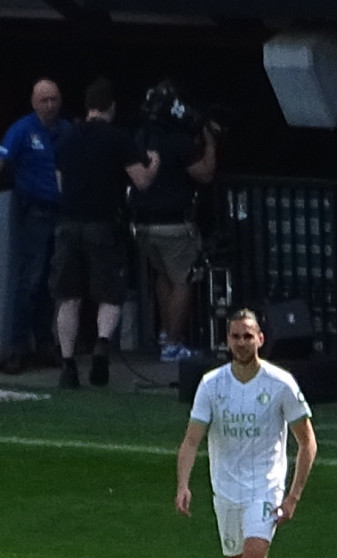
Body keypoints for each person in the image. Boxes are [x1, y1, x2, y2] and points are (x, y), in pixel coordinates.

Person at [175, 308, 314, 558]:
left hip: (265, 489)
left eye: (247, 336)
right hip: (226, 489)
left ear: (260, 339)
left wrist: (292, 496)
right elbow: (191, 440)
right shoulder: (211, 385)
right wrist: (183, 484)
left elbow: (307, 442)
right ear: (227, 340)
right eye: (235, 336)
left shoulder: (280, 383)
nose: (241, 343)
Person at [0, 78, 66, 369]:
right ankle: (17, 346)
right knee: (30, 280)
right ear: (34, 103)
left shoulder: (66, 130)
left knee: (54, 283)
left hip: (62, 214)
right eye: (44, 101)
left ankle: (46, 344)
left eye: (54, 100)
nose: (50, 106)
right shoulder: (23, 129)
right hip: (35, 213)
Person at [48, 78, 134, 388]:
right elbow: (141, 180)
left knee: (68, 296)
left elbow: (59, 184)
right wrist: (153, 164)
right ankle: (101, 345)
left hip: (68, 223)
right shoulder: (117, 138)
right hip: (102, 223)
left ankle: (68, 365)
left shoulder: (66, 140)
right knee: (109, 293)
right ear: (111, 106)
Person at [129, 84, 216, 364]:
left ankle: (168, 336)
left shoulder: (140, 137)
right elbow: (204, 174)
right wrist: (211, 144)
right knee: (183, 278)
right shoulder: (178, 141)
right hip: (174, 224)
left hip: (142, 224)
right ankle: (173, 342)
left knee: (164, 277)